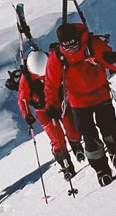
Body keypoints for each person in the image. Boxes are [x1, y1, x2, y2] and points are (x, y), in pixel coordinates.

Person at [44, 21, 116, 185]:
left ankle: (114, 150)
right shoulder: (58, 57)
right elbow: (51, 83)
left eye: (73, 44)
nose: (71, 49)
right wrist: (51, 105)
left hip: (101, 95)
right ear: (61, 45)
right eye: (67, 46)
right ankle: (101, 169)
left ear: (77, 38)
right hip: (78, 102)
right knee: (89, 137)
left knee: (109, 128)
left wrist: (113, 59)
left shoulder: (92, 44)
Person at [16, 49, 81, 180]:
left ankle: (77, 146)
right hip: (43, 110)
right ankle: (65, 164)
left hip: (60, 103)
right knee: (56, 138)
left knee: (71, 128)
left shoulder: (53, 65)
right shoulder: (27, 78)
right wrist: (26, 114)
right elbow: (23, 98)